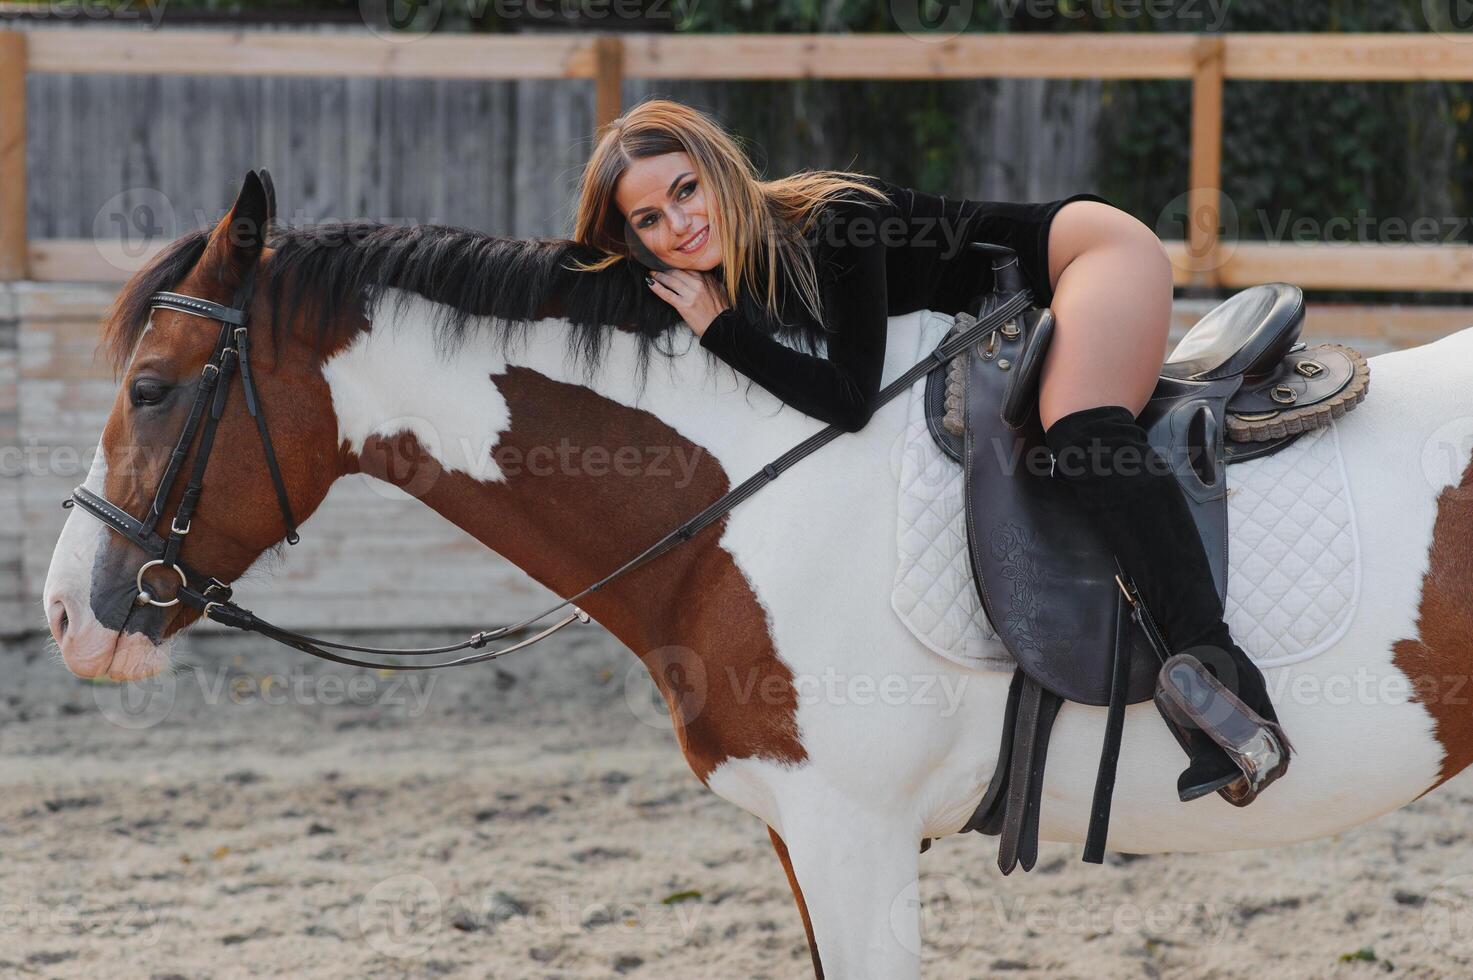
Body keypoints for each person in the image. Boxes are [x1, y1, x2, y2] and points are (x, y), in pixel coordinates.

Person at [570, 97, 1290, 804]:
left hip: (1088, 254)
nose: (680, 224)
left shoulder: (831, 221)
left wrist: (720, 329)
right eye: (649, 220)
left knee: (1079, 430)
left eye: (685, 190)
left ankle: (1227, 685)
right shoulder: (732, 274)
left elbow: (848, 399)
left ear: (717, 168)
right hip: (1032, 301)